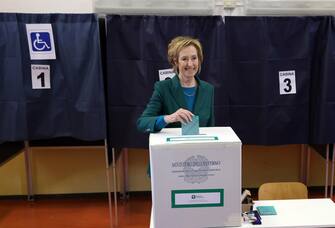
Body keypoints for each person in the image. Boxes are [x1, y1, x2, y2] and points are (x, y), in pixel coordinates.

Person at [137, 36, 215, 133]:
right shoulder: (163, 88)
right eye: (184, 59)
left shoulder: (208, 89)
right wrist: (169, 118)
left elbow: (211, 128)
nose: (190, 64)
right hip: (172, 146)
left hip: (200, 147)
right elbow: (142, 123)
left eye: (194, 58)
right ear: (175, 61)